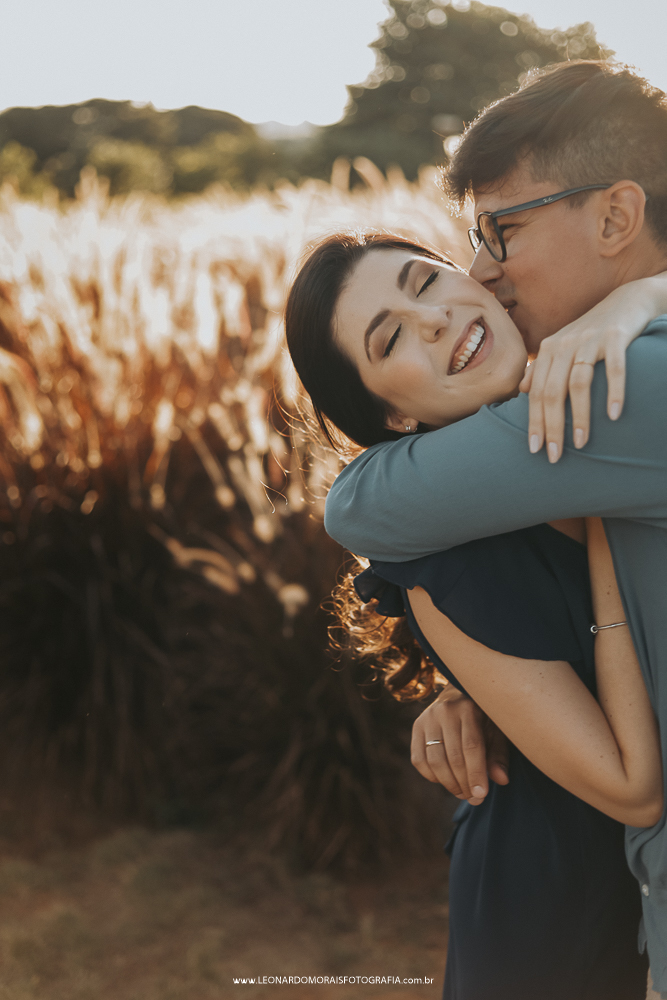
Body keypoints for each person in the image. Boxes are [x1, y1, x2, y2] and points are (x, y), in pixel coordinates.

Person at [322, 60, 667, 996]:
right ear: (387, 409)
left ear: (614, 216)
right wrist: (480, 683)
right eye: (388, 339)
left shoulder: (607, 397)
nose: (477, 273)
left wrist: (646, 299)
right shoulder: (486, 512)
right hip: (550, 917)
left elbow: (353, 506)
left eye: (499, 231)